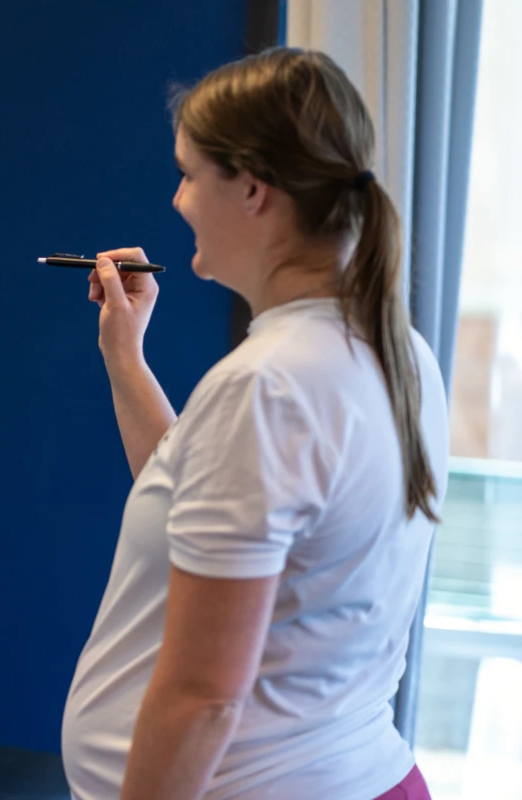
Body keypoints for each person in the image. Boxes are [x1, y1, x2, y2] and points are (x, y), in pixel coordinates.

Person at [60, 48, 448, 800]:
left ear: (252, 189)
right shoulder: (398, 353)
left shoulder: (266, 387)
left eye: (188, 174)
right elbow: (201, 505)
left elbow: (204, 697)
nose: (177, 201)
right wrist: (124, 355)